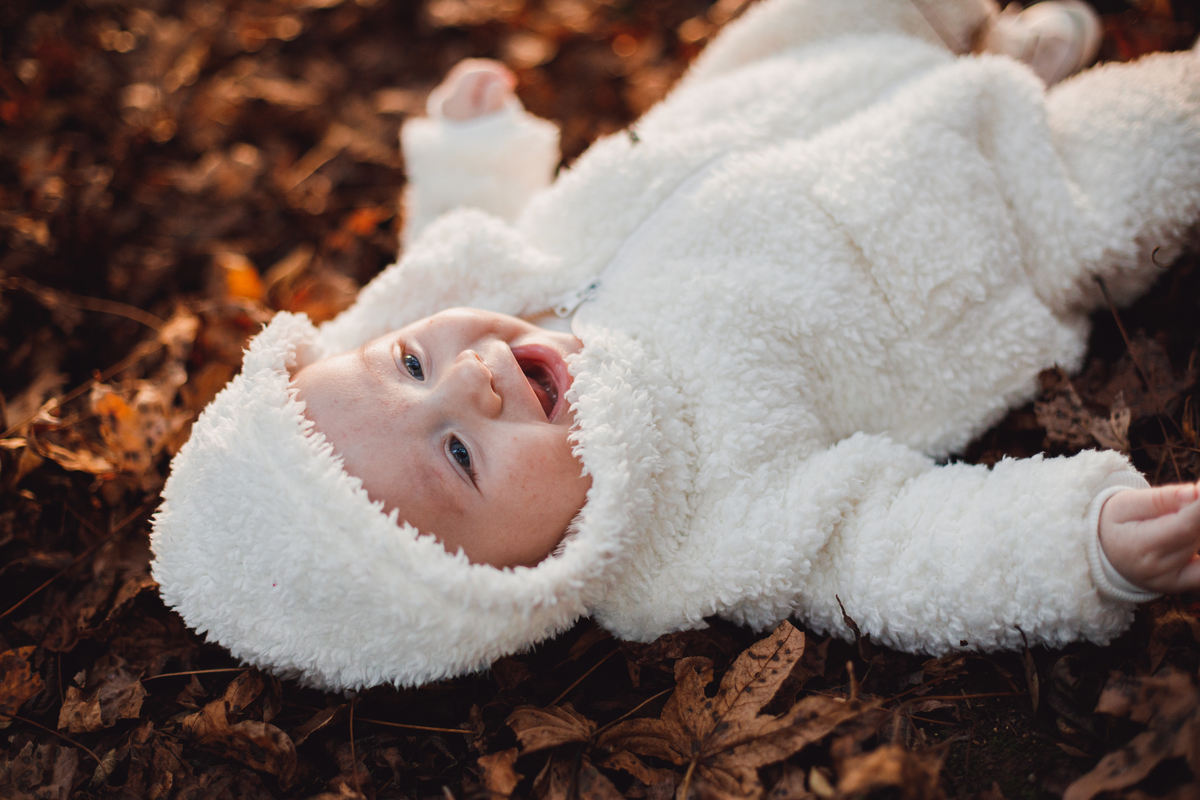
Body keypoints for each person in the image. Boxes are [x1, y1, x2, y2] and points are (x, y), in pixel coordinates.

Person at [149, 0, 1200, 691]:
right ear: (513, 587)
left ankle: (978, 37)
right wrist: (1082, 548)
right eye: (460, 454)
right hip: (1006, 212)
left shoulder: (496, 286)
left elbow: (445, 244)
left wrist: (473, 151)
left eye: (408, 362)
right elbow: (886, 548)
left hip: (794, 82)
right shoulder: (695, 531)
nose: (470, 377)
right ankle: (1032, 82)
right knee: (1159, 138)